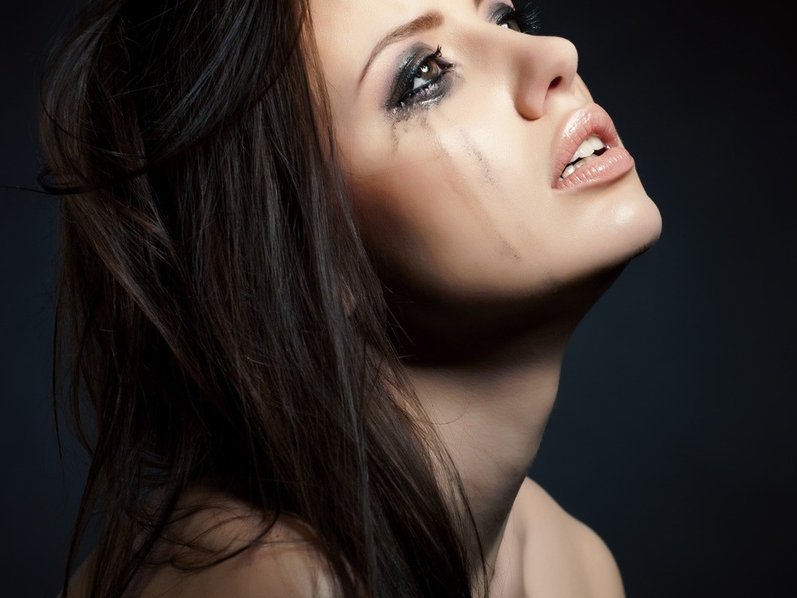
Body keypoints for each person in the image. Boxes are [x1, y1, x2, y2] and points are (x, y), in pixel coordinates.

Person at [39, 0, 662, 595]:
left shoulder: (571, 565)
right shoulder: (272, 580)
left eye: (507, 17)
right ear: (302, 251)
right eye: (424, 76)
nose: (556, 52)